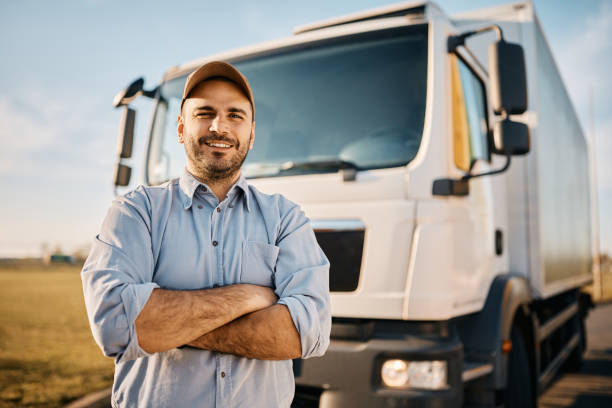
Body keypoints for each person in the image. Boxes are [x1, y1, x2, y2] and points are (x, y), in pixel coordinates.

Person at [81, 61, 331, 408]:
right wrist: (247, 297)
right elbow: (115, 326)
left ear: (252, 134)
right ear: (181, 128)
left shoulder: (285, 219)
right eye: (205, 113)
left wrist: (168, 327)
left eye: (235, 115)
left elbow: (305, 333)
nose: (219, 126)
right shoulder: (136, 212)